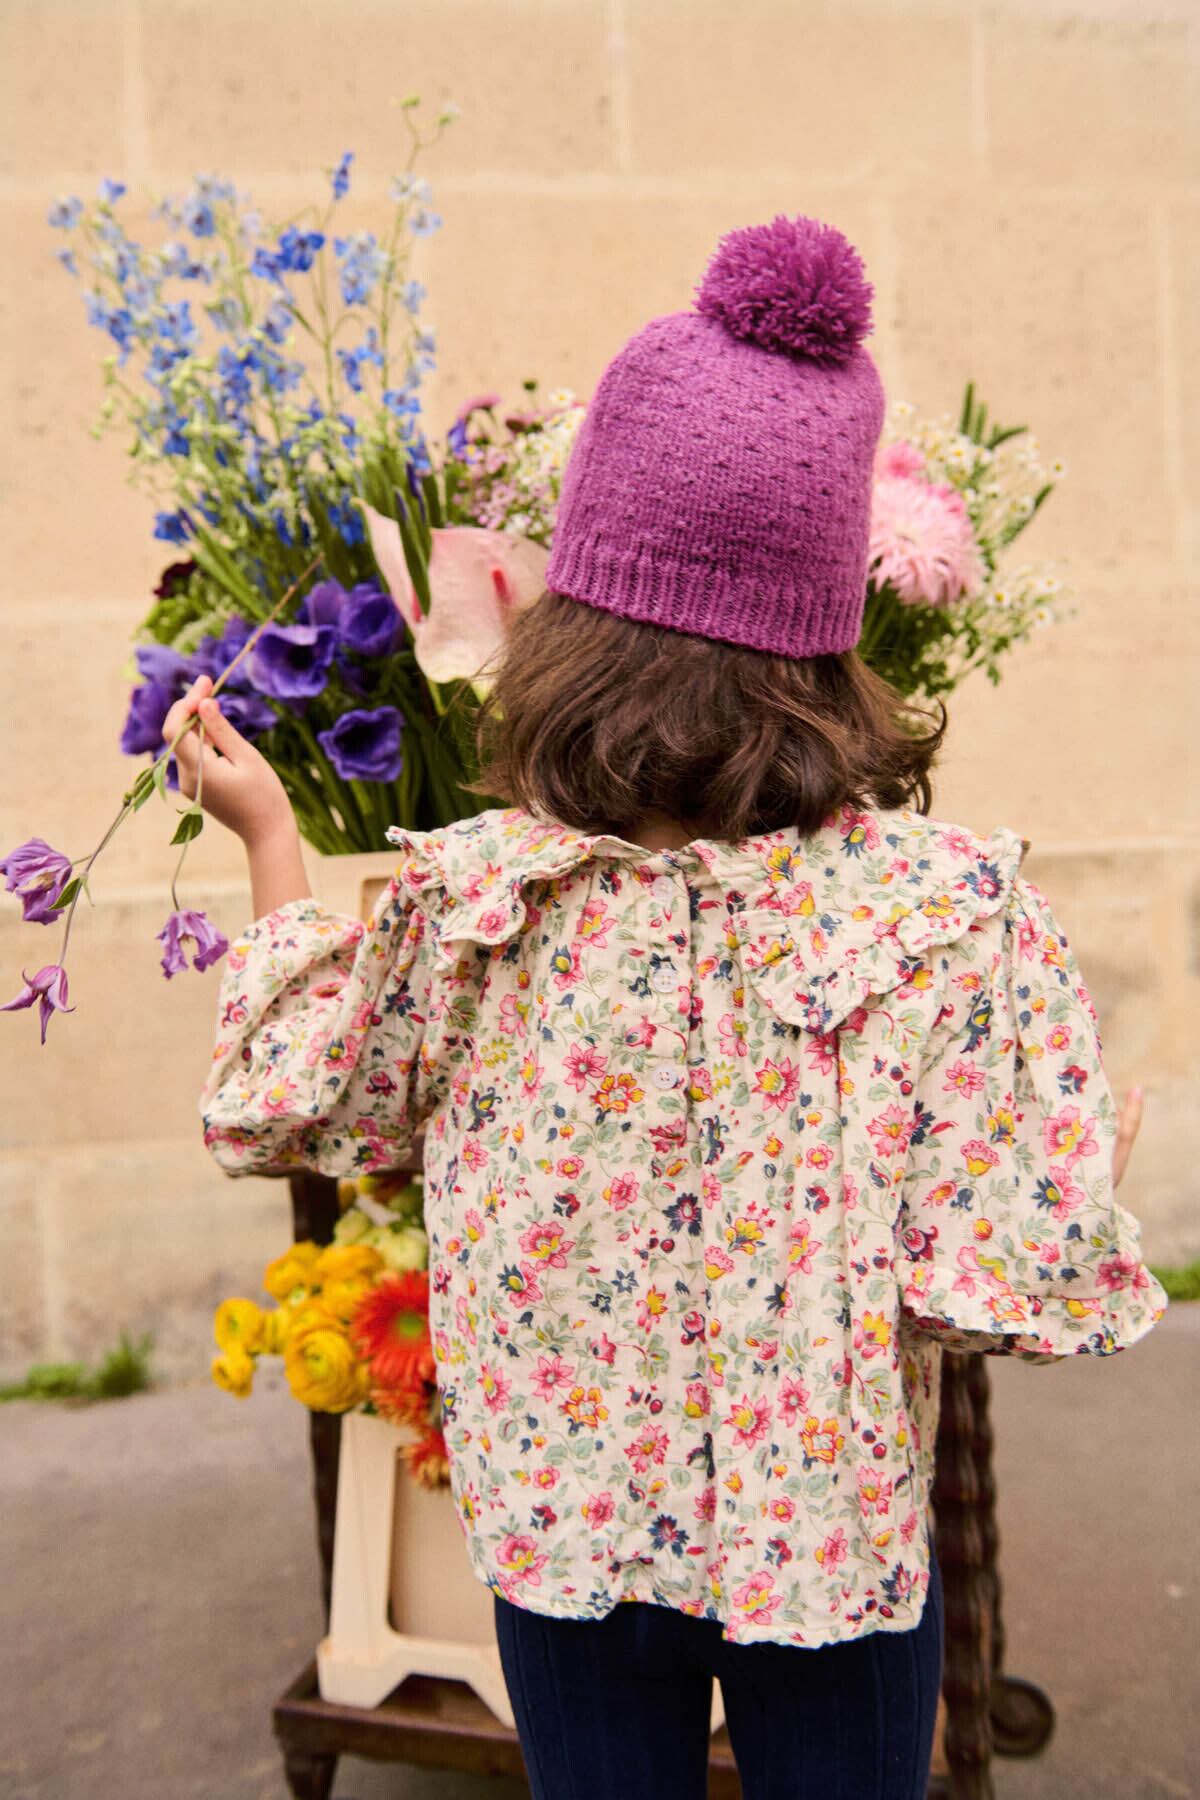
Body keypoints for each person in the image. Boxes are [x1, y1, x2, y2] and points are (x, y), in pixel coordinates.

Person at [167, 215, 1164, 1800]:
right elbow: (994, 1284)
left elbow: (297, 1095)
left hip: (571, 1540)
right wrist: (1077, 1172)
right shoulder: (941, 915)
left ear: (581, 611)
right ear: (826, 636)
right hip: (829, 1545)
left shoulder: (481, 903)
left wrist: (270, 839)